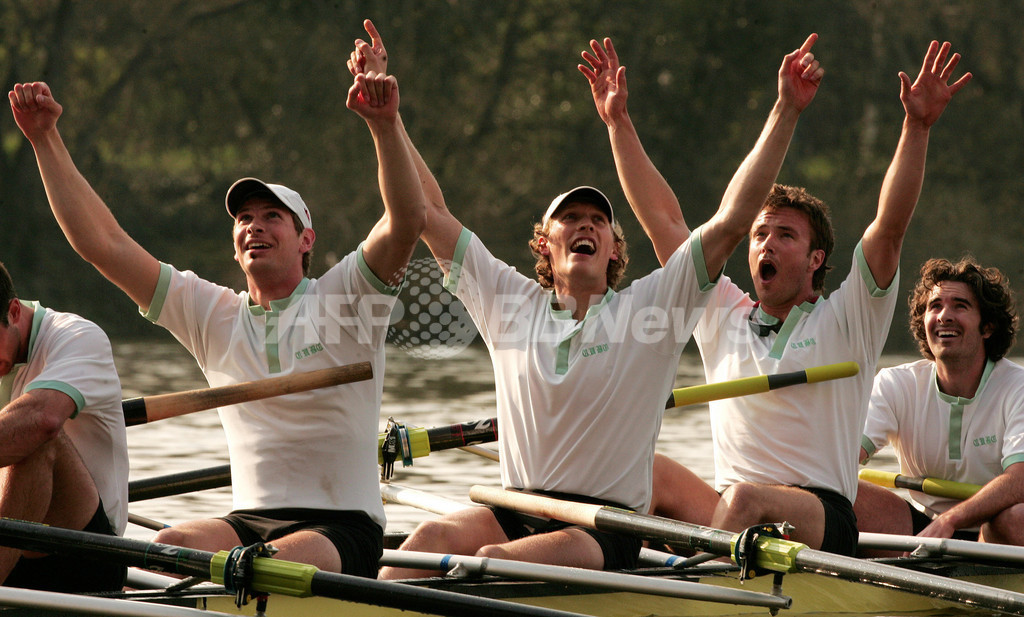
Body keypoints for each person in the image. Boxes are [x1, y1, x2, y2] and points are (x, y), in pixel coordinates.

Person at [355, 21, 822, 577]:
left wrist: (785, 110)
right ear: (546, 248)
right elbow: (429, 214)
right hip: (515, 510)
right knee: (417, 550)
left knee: (491, 564)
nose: (586, 226)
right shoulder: (509, 302)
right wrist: (388, 119)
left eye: (598, 221)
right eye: (571, 219)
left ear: (613, 252)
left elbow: (729, 223)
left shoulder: (650, 310)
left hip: (603, 529)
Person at [8, 63, 426, 577]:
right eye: (244, 218)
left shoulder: (348, 297)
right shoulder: (214, 315)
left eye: (273, 217)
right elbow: (104, 245)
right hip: (246, 524)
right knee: (167, 546)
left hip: (343, 528)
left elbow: (407, 219)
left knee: (256, 569)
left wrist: (385, 126)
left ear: (306, 239)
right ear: (234, 244)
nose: (255, 226)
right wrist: (44, 138)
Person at [632, 40, 971, 555]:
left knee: (744, 500)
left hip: (822, 518)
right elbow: (664, 222)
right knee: (646, 469)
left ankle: (691, 582)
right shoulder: (721, 311)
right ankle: (617, 576)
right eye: (760, 235)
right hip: (734, 512)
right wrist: (616, 122)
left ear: (816, 259)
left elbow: (890, 228)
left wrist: (917, 128)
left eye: (785, 236)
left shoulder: (849, 317)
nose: (767, 243)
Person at [856, 257, 1024, 548]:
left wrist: (951, 521)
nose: (944, 316)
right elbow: (844, 455)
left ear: (988, 327)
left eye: (960, 305)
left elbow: (1020, 480)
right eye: (935, 306)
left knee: (1018, 517)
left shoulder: (1017, 386)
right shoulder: (895, 383)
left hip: (995, 535)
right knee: (840, 491)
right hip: (922, 528)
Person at [0, 262, 128, 592]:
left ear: (14, 311)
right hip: (19, 551)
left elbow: (43, 421)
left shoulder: (78, 336)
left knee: (36, 437)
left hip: (89, 555)